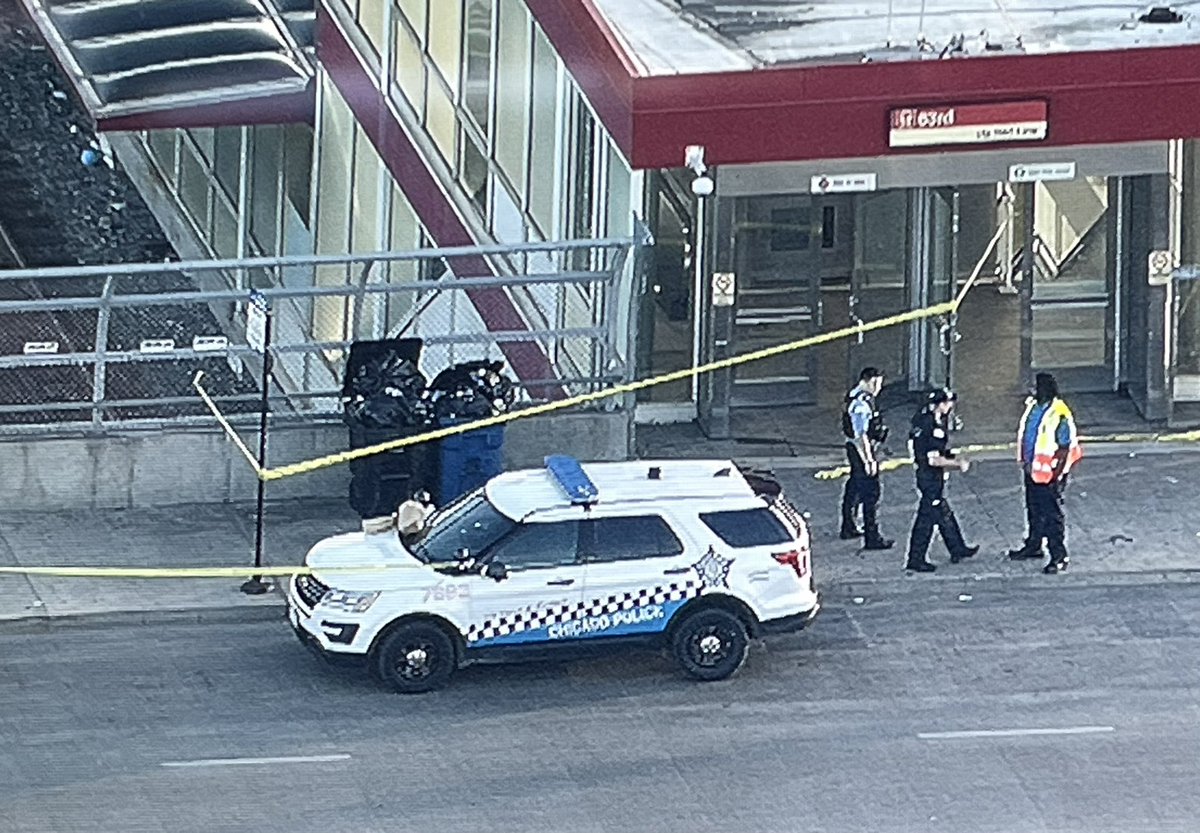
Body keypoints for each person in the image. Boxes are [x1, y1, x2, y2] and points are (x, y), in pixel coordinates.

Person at [1007, 372, 1082, 574]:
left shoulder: (1059, 413)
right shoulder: (1033, 406)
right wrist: (1025, 462)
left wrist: (1056, 475)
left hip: (1050, 473)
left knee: (1052, 515)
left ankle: (1059, 555)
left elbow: (1065, 446)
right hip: (1033, 469)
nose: (1031, 389)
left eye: (1035, 386)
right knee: (1034, 509)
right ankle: (1034, 545)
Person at [904, 388, 980, 573]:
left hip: (930, 475)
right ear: (939, 404)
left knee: (944, 514)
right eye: (948, 403)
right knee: (927, 519)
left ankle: (958, 548)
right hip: (929, 477)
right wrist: (957, 464)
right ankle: (916, 559)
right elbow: (933, 458)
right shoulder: (930, 426)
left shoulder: (926, 420)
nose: (951, 406)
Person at [840, 367, 894, 550]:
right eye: (877, 383)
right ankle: (872, 537)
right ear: (869, 381)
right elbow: (860, 435)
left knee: (854, 486)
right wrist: (869, 460)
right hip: (862, 451)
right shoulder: (861, 404)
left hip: (856, 450)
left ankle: (849, 526)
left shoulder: (855, 396)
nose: (879, 388)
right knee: (871, 494)